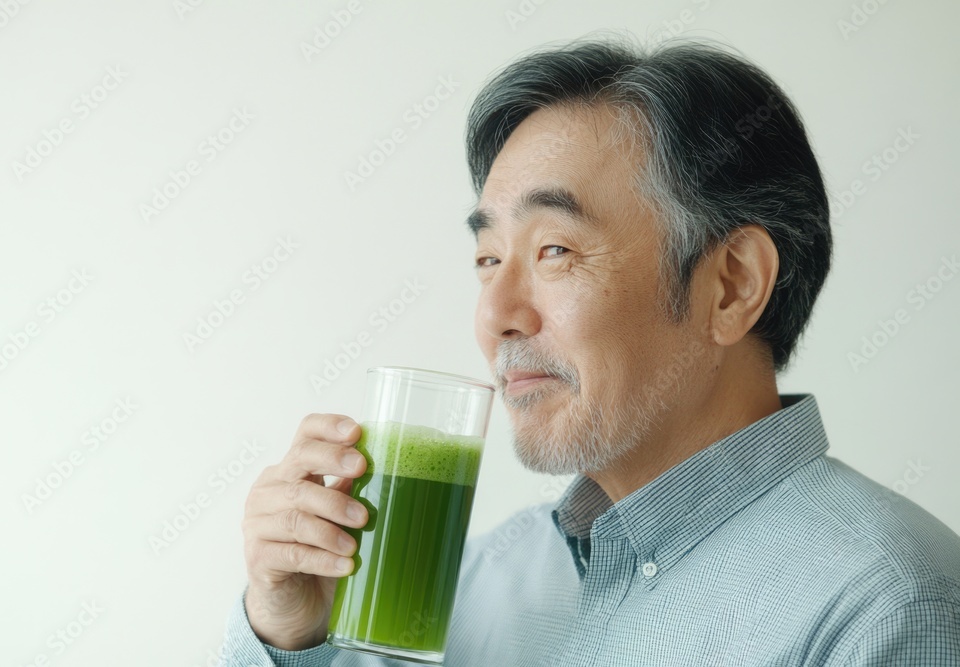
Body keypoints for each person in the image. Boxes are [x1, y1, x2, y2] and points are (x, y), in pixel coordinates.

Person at [220, 35, 960, 666]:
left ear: (732, 286)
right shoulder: (474, 584)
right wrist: (291, 634)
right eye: (487, 259)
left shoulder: (889, 604)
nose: (494, 316)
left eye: (555, 249)